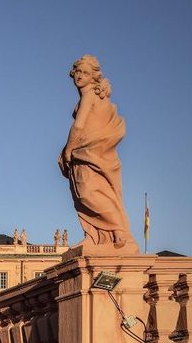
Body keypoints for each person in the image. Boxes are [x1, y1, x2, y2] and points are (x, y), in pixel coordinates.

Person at [58, 55, 136, 250]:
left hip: (91, 153)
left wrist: (68, 150)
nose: (80, 76)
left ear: (93, 77)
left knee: (88, 193)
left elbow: (79, 126)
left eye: (85, 73)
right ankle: (94, 235)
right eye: (78, 72)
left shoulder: (90, 95)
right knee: (87, 193)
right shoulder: (91, 95)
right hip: (86, 151)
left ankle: (117, 229)